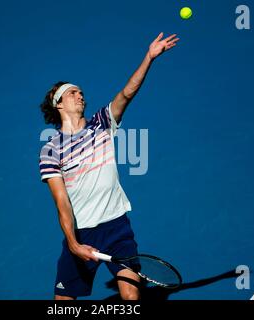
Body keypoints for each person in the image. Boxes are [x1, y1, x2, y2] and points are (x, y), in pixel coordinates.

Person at [38, 32, 179, 300]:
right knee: (63, 303)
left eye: (80, 91)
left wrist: (149, 58)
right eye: (72, 93)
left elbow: (127, 93)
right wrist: (73, 243)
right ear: (58, 104)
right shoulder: (50, 150)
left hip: (116, 226)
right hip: (83, 231)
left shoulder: (101, 123)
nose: (80, 95)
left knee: (131, 296)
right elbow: (62, 202)